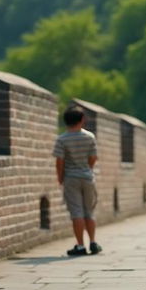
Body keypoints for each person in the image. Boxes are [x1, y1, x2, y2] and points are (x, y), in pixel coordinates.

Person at [54, 106, 102, 256]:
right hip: (87, 177)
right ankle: (93, 242)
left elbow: (59, 161)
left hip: (71, 178)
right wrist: (87, 169)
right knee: (89, 211)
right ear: (82, 120)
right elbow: (93, 157)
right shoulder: (90, 137)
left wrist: (60, 177)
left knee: (76, 212)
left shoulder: (62, 139)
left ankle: (80, 245)